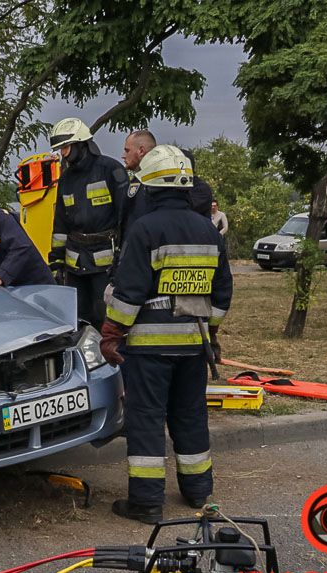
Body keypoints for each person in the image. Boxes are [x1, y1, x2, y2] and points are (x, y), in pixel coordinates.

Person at [100, 145, 232, 524]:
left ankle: (146, 502)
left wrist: (111, 333)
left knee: (147, 419)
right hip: (193, 346)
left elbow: (130, 293)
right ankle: (197, 492)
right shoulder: (208, 230)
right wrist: (210, 330)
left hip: (148, 348)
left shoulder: (145, 229)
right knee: (190, 416)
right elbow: (222, 293)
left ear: (151, 187)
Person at [48, 117, 128, 325]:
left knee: (105, 316)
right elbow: (60, 224)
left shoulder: (111, 170)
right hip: (75, 263)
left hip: (106, 264)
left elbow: (126, 216)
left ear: (80, 144)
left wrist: (124, 255)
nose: (62, 154)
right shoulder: (65, 179)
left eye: (65, 148)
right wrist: (56, 259)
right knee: (79, 317)